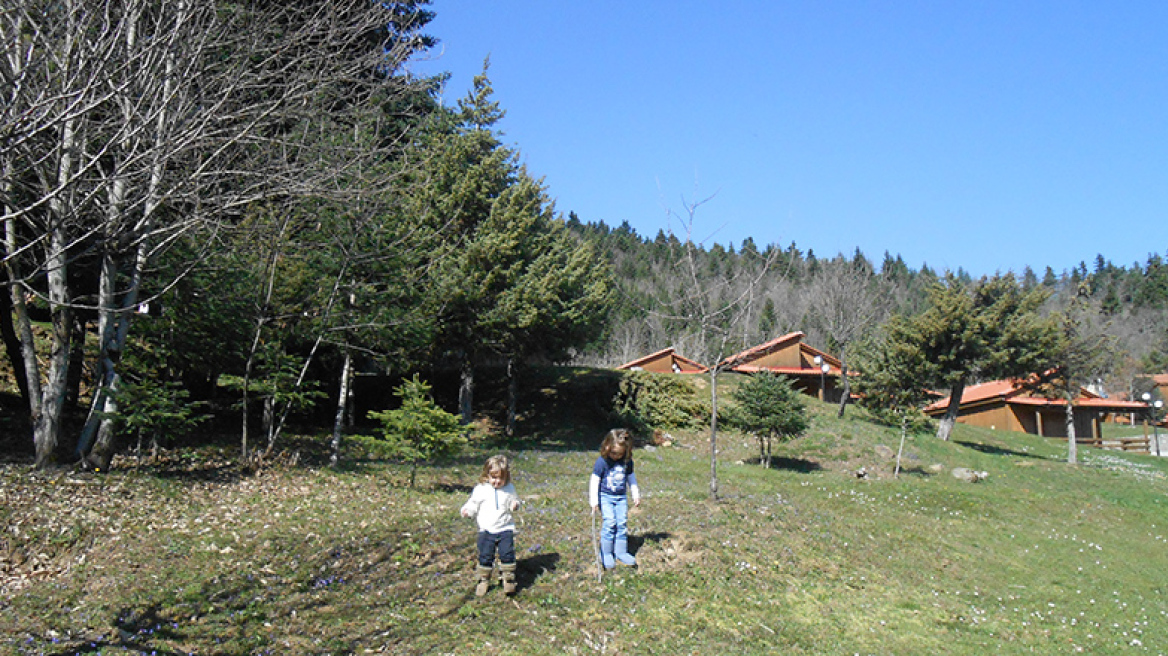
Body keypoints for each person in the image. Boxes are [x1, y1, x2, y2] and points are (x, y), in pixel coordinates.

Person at [460, 454, 521, 596]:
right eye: (494, 478)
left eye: (501, 478)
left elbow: (516, 499)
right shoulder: (481, 489)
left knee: (507, 554)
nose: (497, 481)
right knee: (485, 555)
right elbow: (473, 504)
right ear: (487, 475)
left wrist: (515, 504)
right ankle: (483, 579)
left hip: (505, 528)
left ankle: (508, 579)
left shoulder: (509, 488)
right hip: (486, 530)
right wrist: (467, 511)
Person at [589, 429, 641, 568]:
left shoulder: (627, 462)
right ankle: (605, 553)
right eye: (613, 452)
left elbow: (631, 478)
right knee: (610, 522)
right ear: (607, 447)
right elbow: (595, 480)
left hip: (621, 497)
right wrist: (594, 501)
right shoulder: (602, 462)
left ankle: (621, 552)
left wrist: (635, 493)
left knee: (621, 523)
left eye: (619, 453)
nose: (616, 456)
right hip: (605, 497)